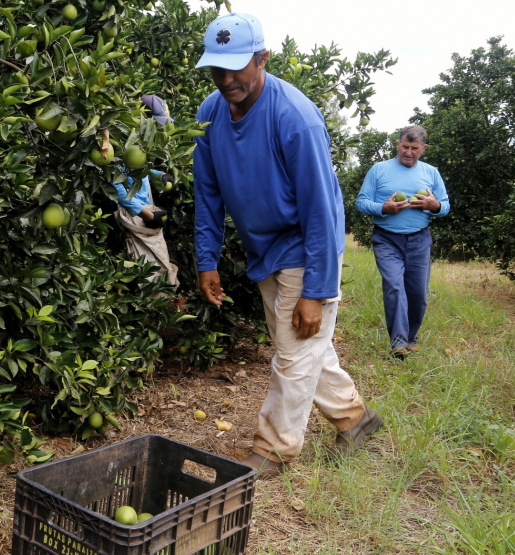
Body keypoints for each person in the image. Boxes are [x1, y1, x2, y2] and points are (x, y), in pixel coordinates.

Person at [192, 13, 382, 478]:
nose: (228, 79)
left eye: (239, 66)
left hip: (305, 243)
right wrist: (206, 259)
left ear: (263, 58)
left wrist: (317, 290)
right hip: (265, 249)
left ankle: (274, 449)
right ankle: (356, 420)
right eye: (218, 69)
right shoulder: (209, 114)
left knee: (294, 349)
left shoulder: (295, 118)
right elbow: (208, 193)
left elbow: (322, 211)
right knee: (302, 344)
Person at [355, 125, 450, 359]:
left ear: (423, 149)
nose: (408, 152)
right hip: (386, 239)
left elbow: (445, 206)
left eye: (414, 148)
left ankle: (411, 337)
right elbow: (361, 202)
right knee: (395, 287)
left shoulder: (431, 173)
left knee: (418, 293)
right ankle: (398, 343)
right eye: (405, 147)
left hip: (420, 239)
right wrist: (383, 208)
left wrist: (433, 205)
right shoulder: (379, 170)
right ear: (397, 144)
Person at [108, 95, 179, 289]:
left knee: (153, 268)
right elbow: (114, 184)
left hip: (142, 210)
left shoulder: (139, 141)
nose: (157, 127)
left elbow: (138, 170)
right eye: (154, 122)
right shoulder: (122, 141)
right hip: (125, 215)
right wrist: (144, 213)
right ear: (142, 117)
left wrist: (160, 174)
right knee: (135, 271)